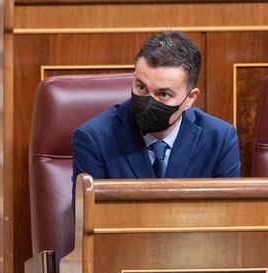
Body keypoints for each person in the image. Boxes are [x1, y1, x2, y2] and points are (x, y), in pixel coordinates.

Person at [71, 31, 241, 190]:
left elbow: (226, 217)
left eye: (163, 94)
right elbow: (90, 218)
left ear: (190, 98)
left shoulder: (219, 139)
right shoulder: (94, 139)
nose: (148, 101)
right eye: (141, 87)